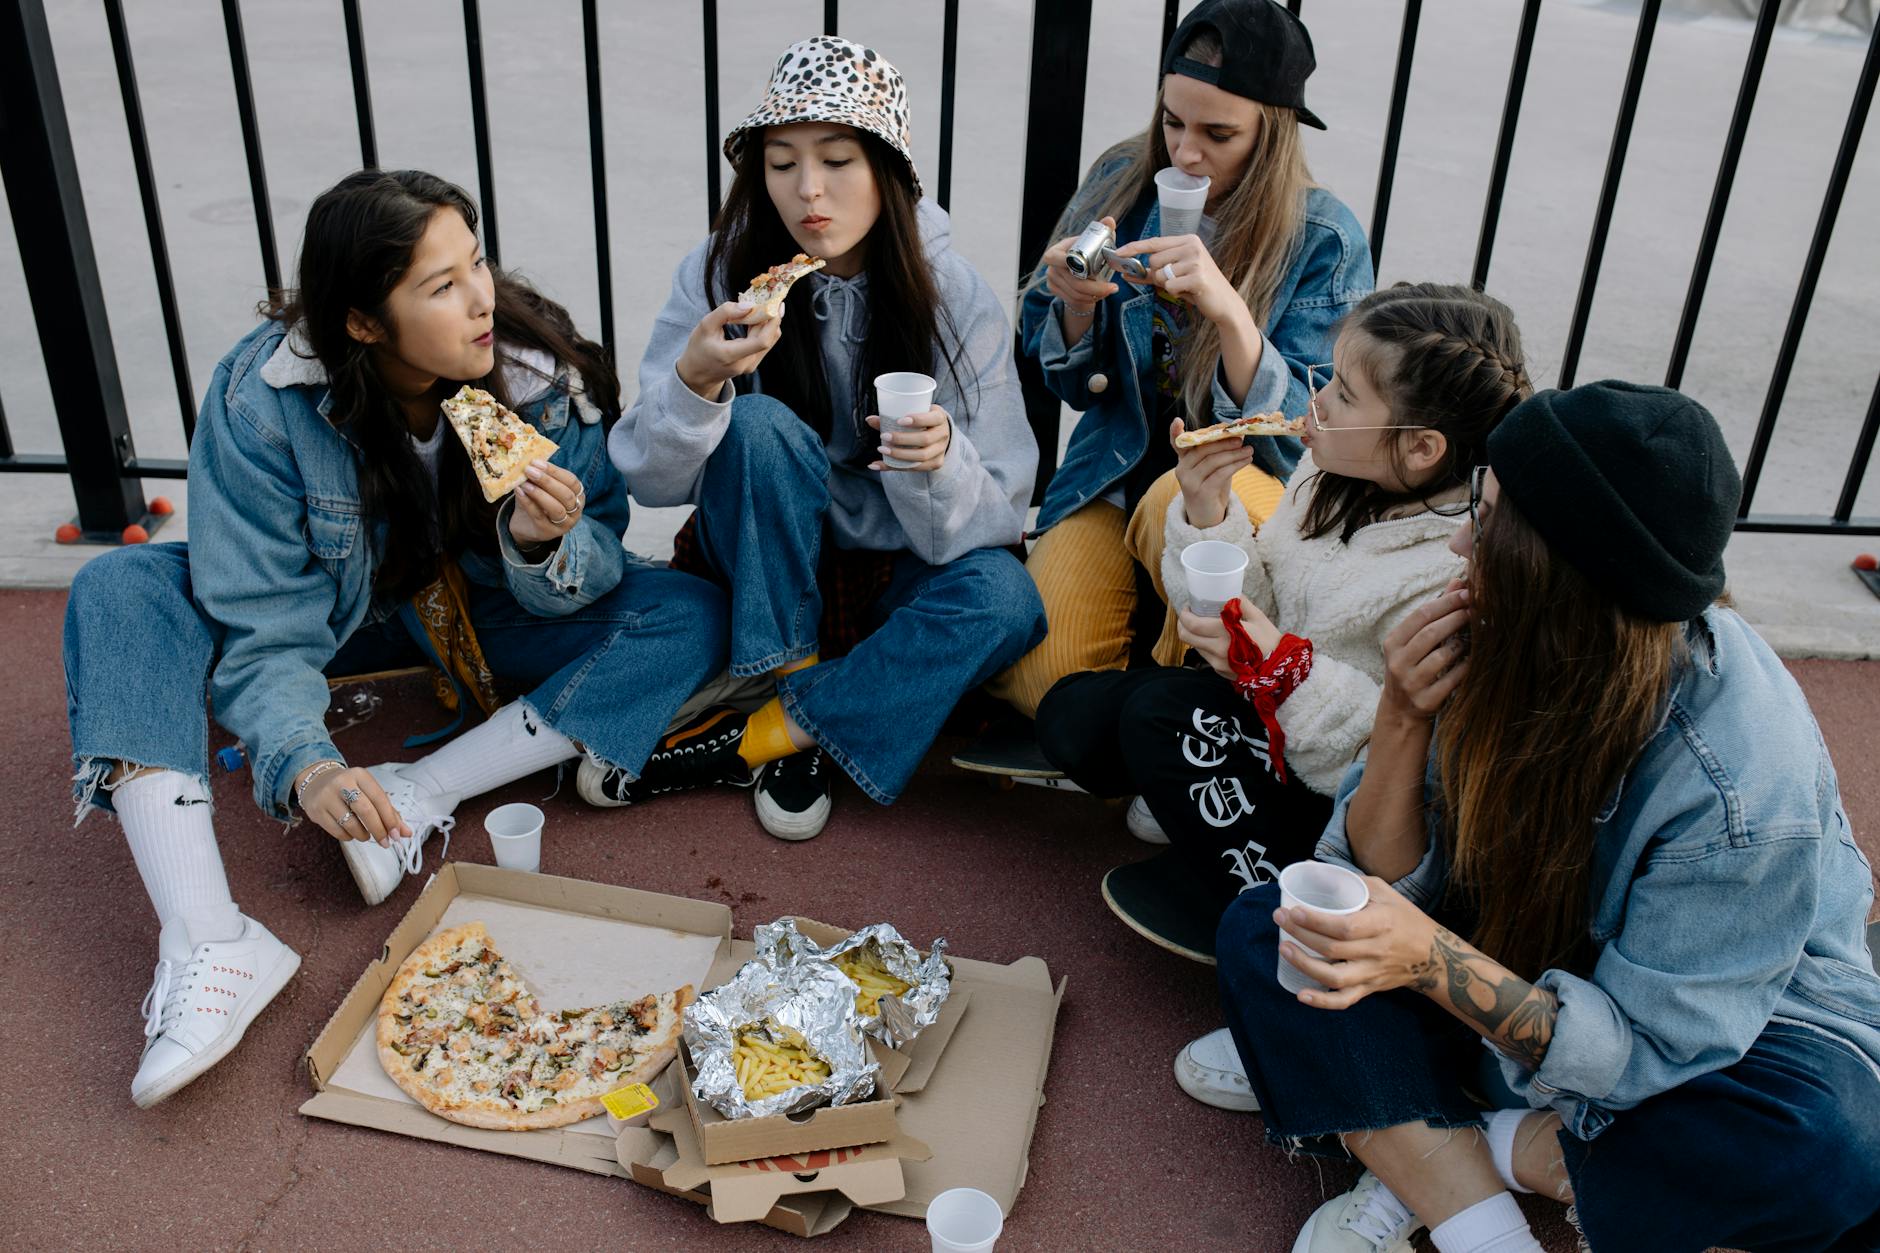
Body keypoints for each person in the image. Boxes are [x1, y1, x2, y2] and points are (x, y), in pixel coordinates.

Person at [63, 169, 728, 1108]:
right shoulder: (264, 400)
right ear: (364, 323)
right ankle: (212, 939)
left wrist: (545, 543)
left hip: (485, 611)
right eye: (441, 286)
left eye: (477, 262)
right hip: (329, 617)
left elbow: (600, 561)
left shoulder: (541, 379)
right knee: (121, 587)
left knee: (690, 614)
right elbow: (265, 623)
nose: (482, 299)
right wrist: (309, 764)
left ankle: (418, 795)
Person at [1211, 382, 1880, 1252]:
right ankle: (1486, 1222)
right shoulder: (1495, 628)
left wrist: (1434, 963)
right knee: (1274, 924)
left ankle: (1449, 1145)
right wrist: (1404, 719)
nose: (1460, 541)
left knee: (1838, 1146)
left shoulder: (1742, 780)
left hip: (1713, 1036)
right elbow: (1367, 878)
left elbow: (1643, 1052)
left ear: (1560, 574)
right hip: (1516, 988)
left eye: (1487, 522)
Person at [604, 35, 1045, 841]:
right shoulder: (720, 270)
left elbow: (994, 524)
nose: (809, 191)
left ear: (889, 169)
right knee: (760, 424)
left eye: (838, 160)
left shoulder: (954, 295)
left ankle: (769, 731)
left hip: (898, 575)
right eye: (781, 162)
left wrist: (941, 464)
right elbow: (646, 475)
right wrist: (696, 383)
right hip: (765, 563)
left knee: (1007, 600)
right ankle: (802, 675)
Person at [1035, 285, 1531, 980]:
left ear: (1420, 447)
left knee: (1157, 717)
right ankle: (1209, 825)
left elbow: (1398, 765)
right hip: (1268, 721)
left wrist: (1281, 670)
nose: (1317, 398)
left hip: (1340, 806)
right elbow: (1260, 600)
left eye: (1347, 395)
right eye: (1327, 377)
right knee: (1072, 716)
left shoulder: (1456, 567)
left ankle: (1283, 933)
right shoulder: (1331, 473)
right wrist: (1207, 513)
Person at [988, 0, 1374, 752]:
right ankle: (1155, 699)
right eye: (1173, 121)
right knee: (1041, 677)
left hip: (1245, 482)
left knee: (1182, 495)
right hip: (1117, 467)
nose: (1185, 153)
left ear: (1273, 131)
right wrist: (1069, 309)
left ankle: (1174, 726)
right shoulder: (1121, 181)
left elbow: (1312, 436)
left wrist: (1230, 314)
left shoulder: (1323, 235)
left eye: (1217, 133)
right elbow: (1061, 375)